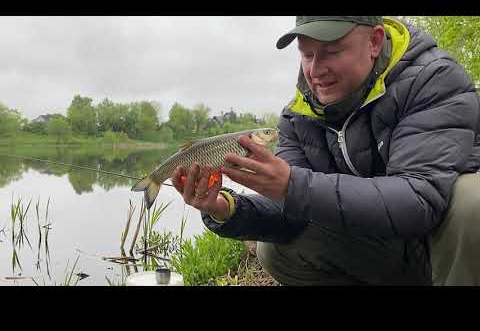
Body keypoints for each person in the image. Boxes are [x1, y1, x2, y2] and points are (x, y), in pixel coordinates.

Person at [171, 16, 480, 286]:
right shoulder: (298, 116)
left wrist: (293, 184)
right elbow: (291, 212)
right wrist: (225, 209)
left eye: (331, 52)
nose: (316, 70)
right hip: (394, 255)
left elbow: (419, 200)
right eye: (307, 55)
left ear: (374, 41)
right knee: (276, 251)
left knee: (471, 200)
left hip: (447, 252)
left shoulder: (431, 80)